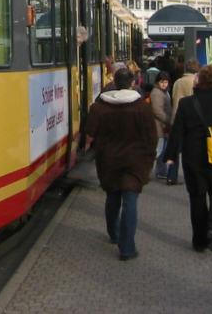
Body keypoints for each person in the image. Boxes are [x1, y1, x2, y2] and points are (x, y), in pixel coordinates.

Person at [164, 65, 212, 253]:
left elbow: (178, 132)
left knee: (197, 198)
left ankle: (199, 240)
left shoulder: (187, 104)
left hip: (194, 157)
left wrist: (171, 155)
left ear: (200, 81)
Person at [85, 67, 157, 261]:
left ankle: (113, 234)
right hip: (135, 162)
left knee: (113, 197)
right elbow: (152, 137)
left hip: (108, 160)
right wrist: (150, 158)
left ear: (115, 82)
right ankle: (127, 248)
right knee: (130, 201)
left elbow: (90, 131)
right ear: (132, 82)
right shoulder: (142, 107)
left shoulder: (99, 106)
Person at [168, 59, 200, 185]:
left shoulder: (177, 82)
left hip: (176, 117)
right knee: (191, 150)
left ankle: (171, 176)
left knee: (175, 148)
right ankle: (192, 176)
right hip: (190, 119)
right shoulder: (195, 82)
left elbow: (173, 98)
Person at [150, 71, 172, 181]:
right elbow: (157, 111)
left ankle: (161, 171)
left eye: (166, 82)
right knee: (157, 150)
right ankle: (149, 170)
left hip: (162, 126)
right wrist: (169, 120)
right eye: (162, 82)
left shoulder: (164, 92)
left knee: (162, 150)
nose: (164, 84)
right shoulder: (157, 93)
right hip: (159, 126)